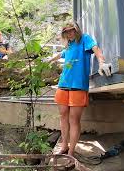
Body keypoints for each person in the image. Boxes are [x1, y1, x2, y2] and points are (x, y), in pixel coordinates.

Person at [47, 22, 111, 156]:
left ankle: (71, 152)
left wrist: (101, 62)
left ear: (76, 30)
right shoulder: (69, 45)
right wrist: (48, 61)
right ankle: (64, 146)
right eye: (66, 32)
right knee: (63, 115)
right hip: (63, 84)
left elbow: (96, 49)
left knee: (73, 119)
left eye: (72, 30)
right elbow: (61, 54)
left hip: (78, 86)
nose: (69, 33)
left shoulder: (85, 39)